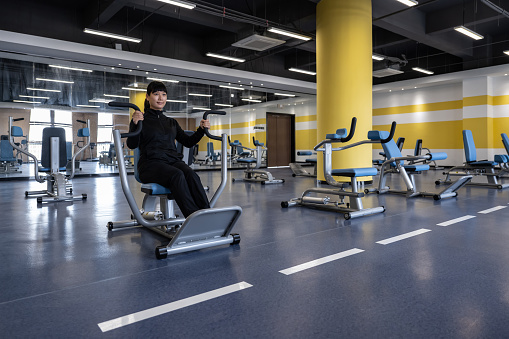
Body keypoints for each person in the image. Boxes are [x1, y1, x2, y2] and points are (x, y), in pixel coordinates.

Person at [126, 81, 211, 218]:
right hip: (150, 164)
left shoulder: (171, 122)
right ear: (147, 97)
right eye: (156, 94)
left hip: (171, 161)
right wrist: (134, 123)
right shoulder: (142, 119)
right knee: (177, 175)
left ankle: (207, 215)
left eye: (164, 94)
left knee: (191, 174)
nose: (161, 98)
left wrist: (201, 130)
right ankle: (193, 218)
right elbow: (131, 144)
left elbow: (188, 142)